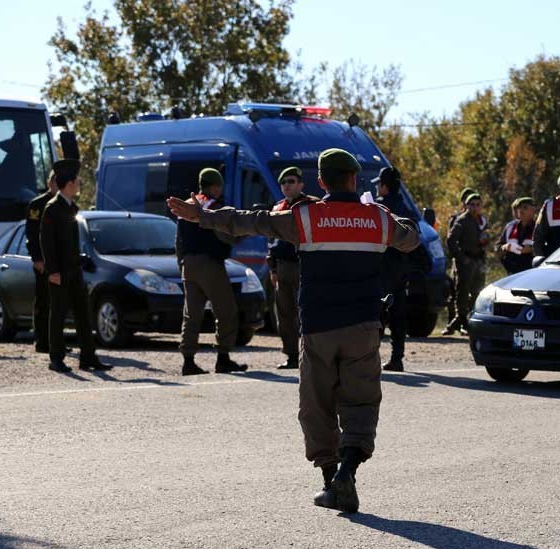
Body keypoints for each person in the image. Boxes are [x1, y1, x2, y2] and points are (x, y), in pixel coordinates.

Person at [167, 148, 420, 513]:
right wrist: (381, 211)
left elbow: (251, 221)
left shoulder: (305, 217)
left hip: (318, 327)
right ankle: (347, 473)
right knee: (360, 401)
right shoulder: (377, 219)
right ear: (354, 180)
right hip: (364, 326)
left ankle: (330, 480)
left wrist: (204, 216)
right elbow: (410, 238)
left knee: (316, 405)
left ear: (320, 181)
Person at [39, 159, 112, 373]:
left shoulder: (71, 207)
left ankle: (88, 357)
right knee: (58, 314)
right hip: (59, 271)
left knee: (83, 313)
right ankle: (56, 359)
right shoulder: (52, 208)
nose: (80, 183)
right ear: (69, 184)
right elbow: (46, 241)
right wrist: (52, 271)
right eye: (77, 180)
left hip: (73, 269)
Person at [174, 168, 248, 376]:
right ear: (215, 186)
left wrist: (181, 262)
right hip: (210, 264)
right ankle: (223, 358)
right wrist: (242, 235)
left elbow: (178, 240)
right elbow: (226, 235)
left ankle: (188, 360)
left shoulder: (186, 206)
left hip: (188, 264)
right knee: (226, 310)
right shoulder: (213, 207)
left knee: (192, 314)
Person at [268, 166, 319, 370]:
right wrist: (272, 268)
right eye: (283, 183)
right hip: (283, 269)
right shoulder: (277, 208)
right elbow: (271, 242)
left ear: (300, 184)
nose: (287, 186)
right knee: (285, 314)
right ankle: (291, 355)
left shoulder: (311, 205)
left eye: (291, 181)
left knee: (307, 313)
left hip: (304, 266)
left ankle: (312, 355)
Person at [373, 166, 417, 372]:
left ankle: (370, 357)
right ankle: (397, 358)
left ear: (384, 186)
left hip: (381, 269)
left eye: (378, 184)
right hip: (401, 269)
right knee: (398, 316)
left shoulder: (377, 208)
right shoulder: (405, 209)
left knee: (376, 314)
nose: (376, 188)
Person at [443, 193, 487, 335]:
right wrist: (461, 258)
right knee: (462, 295)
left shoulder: (481, 221)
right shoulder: (462, 220)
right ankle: (462, 322)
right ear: (466, 206)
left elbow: (486, 239)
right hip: (466, 263)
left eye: (477, 205)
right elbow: (451, 240)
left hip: (478, 261)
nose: (474, 207)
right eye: (471, 205)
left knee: (477, 293)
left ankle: (460, 322)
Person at [25, 170, 58, 353]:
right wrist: (36, 258)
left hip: (58, 262)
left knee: (57, 304)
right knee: (43, 302)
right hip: (43, 262)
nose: (56, 186)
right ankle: (42, 341)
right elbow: (31, 234)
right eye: (54, 182)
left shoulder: (63, 205)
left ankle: (56, 342)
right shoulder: (37, 204)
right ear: (49, 183)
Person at [496, 197, 537, 274]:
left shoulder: (538, 228)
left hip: (531, 271)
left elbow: (545, 247)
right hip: (512, 272)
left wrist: (531, 249)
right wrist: (504, 247)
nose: (520, 210)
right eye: (519, 208)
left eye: (525, 207)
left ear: (533, 210)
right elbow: (497, 247)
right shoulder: (510, 227)